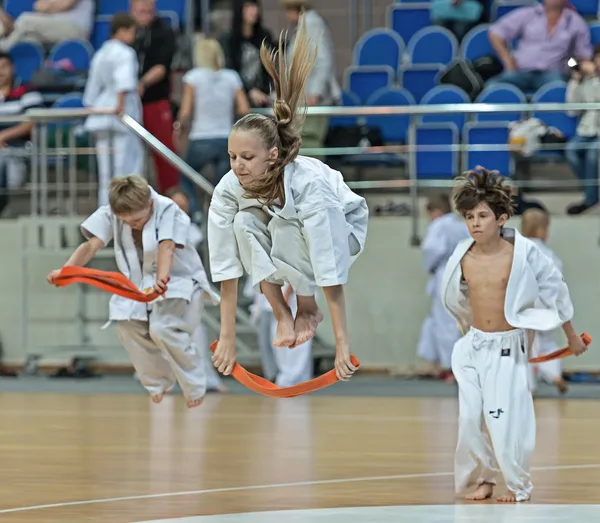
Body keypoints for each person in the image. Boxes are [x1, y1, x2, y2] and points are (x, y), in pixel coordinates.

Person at [207, 15, 368, 382]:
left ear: (274, 156)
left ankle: (305, 308)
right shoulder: (228, 188)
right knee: (245, 221)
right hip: (289, 238)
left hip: (345, 229)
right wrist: (227, 337)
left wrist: (342, 344)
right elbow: (226, 268)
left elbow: (329, 262)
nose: (237, 166)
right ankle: (282, 312)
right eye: (233, 157)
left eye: (247, 158)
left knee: (283, 225)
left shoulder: (309, 186)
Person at [440, 167, 587, 503]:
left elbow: (555, 290)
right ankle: (484, 477)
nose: (475, 223)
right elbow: (456, 299)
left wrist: (571, 335)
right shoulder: (462, 256)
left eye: (482, 216)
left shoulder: (522, 254)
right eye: (469, 217)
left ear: (502, 217)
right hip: (473, 345)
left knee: (503, 422)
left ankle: (518, 485)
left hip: (508, 349)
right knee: (467, 420)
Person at [47, 175, 218, 408]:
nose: (131, 225)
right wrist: (66, 270)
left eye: (136, 220)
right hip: (139, 284)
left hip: (178, 279)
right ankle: (158, 381)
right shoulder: (111, 212)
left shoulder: (168, 209)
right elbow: (90, 246)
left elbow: (166, 246)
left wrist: (162, 279)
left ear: (149, 204)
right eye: (125, 221)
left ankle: (196, 383)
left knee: (161, 328)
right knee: (125, 324)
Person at [173, 37, 250, 217]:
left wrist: (178, 127)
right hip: (226, 138)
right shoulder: (232, 76)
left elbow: (185, 112)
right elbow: (244, 108)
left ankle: (196, 214)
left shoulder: (193, 77)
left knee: (186, 177)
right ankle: (221, 216)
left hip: (201, 138)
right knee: (223, 185)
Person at [166, 186, 228, 393]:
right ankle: (163, 379)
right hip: (165, 288)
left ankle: (207, 379)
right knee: (163, 332)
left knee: (197, 334)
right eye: (176, 205)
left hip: (190, 288)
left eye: (183, 206)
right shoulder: (157, 228)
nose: (180, 209)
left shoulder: (192, 231)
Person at [83, 12, 144, 207]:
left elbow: (91, 90)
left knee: (105, 175)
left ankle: (106, 214)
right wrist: (119, 106)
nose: (134, 37)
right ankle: (125, 212)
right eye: (132, 32)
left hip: (100, 112)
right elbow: (123, 82)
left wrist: (93, 108)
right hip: (120, 114)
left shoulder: (101, 53)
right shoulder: (126, 53)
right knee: (125, 170)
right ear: (123, 31)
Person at [416, 193, 469, 382]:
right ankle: (442, 363)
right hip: (463, 274)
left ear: (435, 211)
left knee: (445, 323)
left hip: (445, 274)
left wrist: (429, 266)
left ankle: (450, 367)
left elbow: (432, 249)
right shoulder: (460, 225)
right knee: (458, 321)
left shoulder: (439, 225)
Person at [488, 0, 593, 91]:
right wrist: (507, 60)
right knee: (492, 87)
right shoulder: (529, 14)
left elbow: (584, 56)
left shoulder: (576, 22)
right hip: (521, 71)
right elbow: (495, 33)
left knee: (561, 90)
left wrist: (575, 68)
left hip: (552, 74)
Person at [131, 0, 179, 194]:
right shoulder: (128, 32)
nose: (145, 14)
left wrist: (142, 84)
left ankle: (171, 195)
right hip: (130, 103)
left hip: (155, 100)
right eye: (141, 11)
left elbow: (162, 66)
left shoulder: (164, 31)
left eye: (148, 10)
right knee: (131, 155)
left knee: (164, 153)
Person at [521, 209, 568, 396]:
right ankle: (554, 374)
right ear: (541, 230)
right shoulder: (550, 254)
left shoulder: (519, 252)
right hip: (548, 306)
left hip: (527, 306)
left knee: (525, 347)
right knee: (547, 344)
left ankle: (529, 388)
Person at [564, 44, 600, 215]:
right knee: (571, 150)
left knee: (594, 153)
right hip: (587, 130)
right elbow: (572, 109)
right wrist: (576, 80)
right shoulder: (585, 79)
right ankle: (592, 193)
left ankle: (590, 199)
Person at [220, 0, 274, 108]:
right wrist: (250, 90)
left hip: (264, 98)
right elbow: (230, 70)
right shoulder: (228, 39)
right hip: (238, 98)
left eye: (255, 7)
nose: (254, 11)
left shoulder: (265, 36)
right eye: (248, 7)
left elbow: (271, 68)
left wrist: (273, 90)